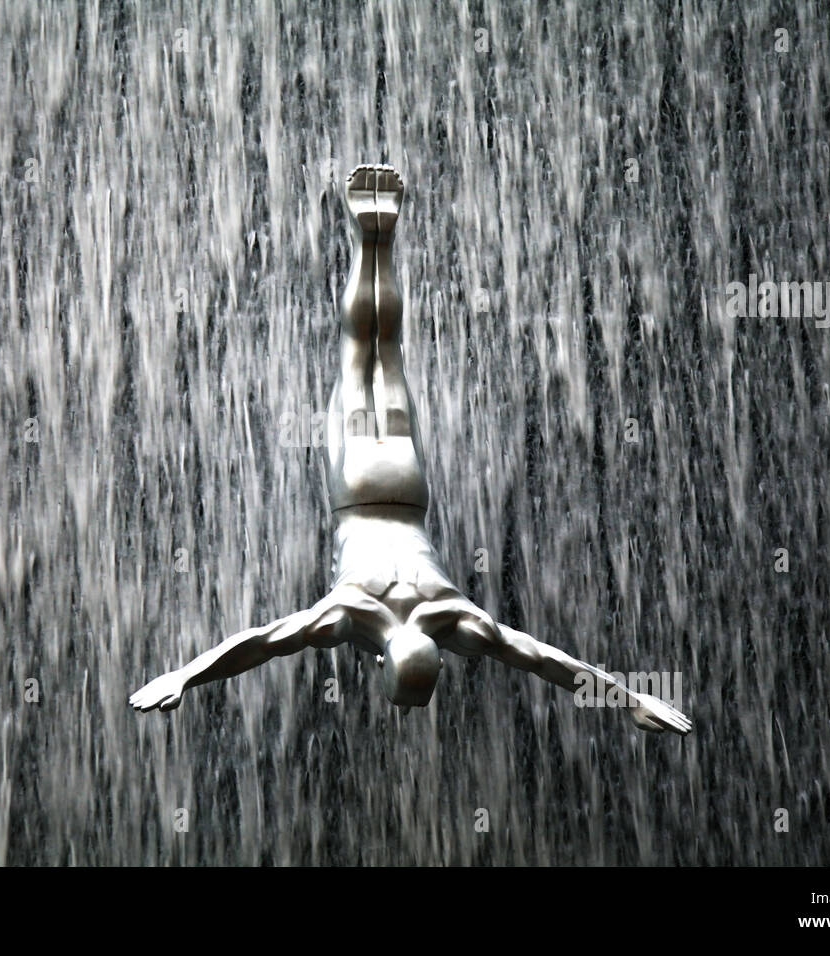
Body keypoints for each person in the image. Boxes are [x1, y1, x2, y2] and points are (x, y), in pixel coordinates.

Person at [130, 165, 691, 735]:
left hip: (407, 488)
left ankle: (381, 242)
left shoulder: (461, 622)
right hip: (356, 492)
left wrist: (629, 699)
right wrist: (185, 675)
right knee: (358, 354)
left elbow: (549, 660)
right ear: (385, 662)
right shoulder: (347, 613)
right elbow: (261, 644)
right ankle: (367, 241)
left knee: (385, 353)